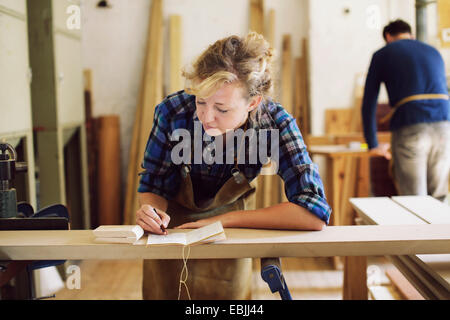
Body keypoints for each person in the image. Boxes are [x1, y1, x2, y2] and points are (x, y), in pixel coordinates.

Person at [136, 32, 331, 300]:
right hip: (172, 231)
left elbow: (314, 212)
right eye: (201, 101)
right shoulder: (172, 112)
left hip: (233, 230)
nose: (206, 116)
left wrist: (221, 221)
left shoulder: (274, 123)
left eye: (222, 109)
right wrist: (151, 212)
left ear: (253, 102)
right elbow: (153, 183)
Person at [362, 19, 450, 201]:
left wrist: (373, 144)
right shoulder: (434, 51)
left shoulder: (383, 54)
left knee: (414, 200)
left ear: (388, 37)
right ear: (411, 35)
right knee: (439, 197)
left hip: (411, 125)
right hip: (444, 126)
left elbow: (369, 99)